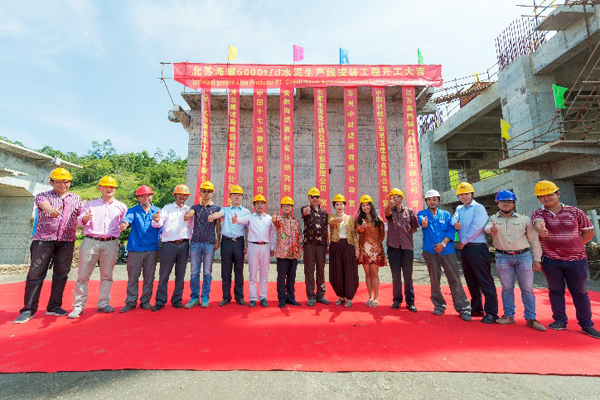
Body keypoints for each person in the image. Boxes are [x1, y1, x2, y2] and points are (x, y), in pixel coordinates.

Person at [13, 168, 83, 324]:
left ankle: (54, 306)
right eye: (58, 182)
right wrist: (50, 210)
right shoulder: (43, 196)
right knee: (35, 274)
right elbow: (43, 205)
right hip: (43, 240)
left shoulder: (76, 199)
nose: (63, 185)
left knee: (61, 274)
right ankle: (28, 310)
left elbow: (81, 215)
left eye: (66, 182)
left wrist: (86, 218)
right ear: (51, 182)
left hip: (66, 241)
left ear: (70, 182)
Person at [531, 180, 599, 339]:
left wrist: (576, 245)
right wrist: (541, 230)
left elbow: (589, 232)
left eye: (550, 194)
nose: (546, 198)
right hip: (551, 260)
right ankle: (560, 320)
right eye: (542, 196)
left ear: (558, 194)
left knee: (580, 292)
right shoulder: (538, 213)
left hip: (576, 260)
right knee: (555, 291)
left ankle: (586, 324)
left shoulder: (575, 212)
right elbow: (537, 223)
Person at [485, 190, 545, 331]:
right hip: (502, 257)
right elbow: (486, 228)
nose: (506, 204)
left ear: (514, 203)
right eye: (502, 201)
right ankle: (508, 316)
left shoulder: (524, 219)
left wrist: (537, 259)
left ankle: (531, 318)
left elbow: (534, 240)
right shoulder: (492, 219)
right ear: (497, 203)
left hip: (523, 256)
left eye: (509, 201)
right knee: (506, 288)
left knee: (527, 289)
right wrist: (491, 230)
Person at [68, 176, 127, 319]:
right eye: (105, 186)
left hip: (111, 242)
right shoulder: (90, 205)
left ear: (115, 189)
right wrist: (85, 218)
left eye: (112, 187)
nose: (109, 189)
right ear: (99, 188)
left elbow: (125, 222)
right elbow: (79, 221)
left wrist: (124, 226)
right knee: (83, 275)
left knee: (107, 275)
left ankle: (104, 303)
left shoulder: (121, 206)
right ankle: (78, 306)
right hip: (91, 241)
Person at [417, 189, 471, 321]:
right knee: (434, 279)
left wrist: (443, 244)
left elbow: (452, 230)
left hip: (447, 251)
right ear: (426, 201)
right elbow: (421, 221)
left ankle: (463, 308)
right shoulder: (422, 214)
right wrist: (424, 223)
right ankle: (439, 305)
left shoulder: (446, 215)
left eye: (435, 199)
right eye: (429, 200)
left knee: (454, 278)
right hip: (430, 251)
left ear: (439, 201)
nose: (432, 202)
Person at [451, 182, 499, 324]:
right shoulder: (459, 208)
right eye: (461, 194)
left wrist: (463, 241)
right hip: (465, 249)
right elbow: (454, 218)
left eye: (466, 194)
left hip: (477, 247)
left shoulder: (479, 208)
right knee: (471, 280)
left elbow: (477, 227)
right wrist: (455, 224)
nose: (464, 197)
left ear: (472, 194)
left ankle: (491, 312)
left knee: (484, 280)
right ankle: (477, 308)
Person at [118, 185, 161, 313]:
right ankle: (131, 302)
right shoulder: (133, 210)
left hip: (151, 248)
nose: (146, 198)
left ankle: (145, 301)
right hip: (135, 248)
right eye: (142, 196)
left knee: (149, 277)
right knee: (133, 277)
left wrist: (158, 221)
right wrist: (124, 224)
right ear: (138, 198)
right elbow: (128, 220)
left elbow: (162, 226)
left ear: (152, 196)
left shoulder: (158, 211)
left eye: (148, 195)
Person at [150, 184, 193, 311]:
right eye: (179, 194)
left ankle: (177, 299)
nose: (182, 197)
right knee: (164, 274)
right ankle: (160, 300)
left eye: (184, 195)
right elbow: (158, 224)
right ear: (175, 195)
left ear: (187, 197)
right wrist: (156, 220)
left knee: (180, 274)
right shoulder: (167, 208)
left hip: (184, 245)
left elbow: (193, 226)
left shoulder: (189, 210)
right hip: (168, 245)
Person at [208, 185, 250, 306]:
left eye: (239, 195)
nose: (237, 197)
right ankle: (226, 297)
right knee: (225, 271)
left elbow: (247, 229)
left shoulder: (246, 212)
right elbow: (218, 214)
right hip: (226, 242)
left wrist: (246, 244)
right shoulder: (225, 210)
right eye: (234, 195)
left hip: (239, 242)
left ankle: (239, 297)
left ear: (242, 197)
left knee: (239, 270)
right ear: (230, 197)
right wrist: (212, 216)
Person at [232, 194, 275, 307]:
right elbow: (241, 220)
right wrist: (236, 219)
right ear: (254, 206)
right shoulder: (250, 217)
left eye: (262, 203)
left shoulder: (269, 218)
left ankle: (263, 297)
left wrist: (272, 247)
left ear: (265, 205)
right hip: (253, 246)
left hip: (265, 246)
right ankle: (252, 298)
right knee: (252, 273)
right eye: (257, 203)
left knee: (264, 273)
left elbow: (272, 234)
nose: (260, 205)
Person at [183, 181, 221, 308]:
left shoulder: (216, 209)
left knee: (207, 272)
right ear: (200, 192)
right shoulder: (195, 207)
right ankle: (194, 297)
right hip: (196, 242)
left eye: (208, 191)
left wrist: (218, 240)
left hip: (209, 243)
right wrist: (188, 215)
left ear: (212, 193)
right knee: (194, 272)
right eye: (204, 191)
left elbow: (218, 226)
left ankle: (205, 296)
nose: (206, 193)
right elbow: (190, 214)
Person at [385, 188, 419, 312]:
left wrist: (405, 235)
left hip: (407, 247)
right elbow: (387, 214)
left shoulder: (410, 212)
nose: (393, 199)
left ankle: (410, 302)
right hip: (393, 247)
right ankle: (397, 300)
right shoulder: (390, 211)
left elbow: (414, 228)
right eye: (391, 197)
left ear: (401, 198)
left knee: (408, 275)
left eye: (395, 196)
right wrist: (388, 206)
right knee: (396, 276)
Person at [328, 194, 360, 308]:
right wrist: (337, 219)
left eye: (341, 204)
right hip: (335, 246)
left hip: (348, 246)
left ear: (345, 205)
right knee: (337, 271)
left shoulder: (350, 218)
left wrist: (357, 249)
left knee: (349, 271)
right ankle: (341, 296)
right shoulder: (331, 217)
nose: (339, 206)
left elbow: (353, 234)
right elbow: (331, 222)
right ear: (334, 206)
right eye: (337, 204)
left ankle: (349, 297)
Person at [355, 194, 386, 308]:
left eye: (367, 205)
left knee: (374, 274)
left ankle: (376, 298)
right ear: (361, 207)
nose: (366, 207)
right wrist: (362, 227)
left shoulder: (378, 219)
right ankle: (370, 297)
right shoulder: (358, 219)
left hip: (375, 251)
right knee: (367, 274)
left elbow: (382, 234)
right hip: (364, 250)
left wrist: (375, 245)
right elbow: (357, 232)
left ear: (371, 206)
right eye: (363, 205)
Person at [272, 196, 303, 308]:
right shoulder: (279, 220)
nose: (286, 207)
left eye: (289, 206)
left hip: (293, 254)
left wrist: (300, 250)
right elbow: (275, 222)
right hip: (282, 254)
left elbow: (299, 236)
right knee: (281, 277)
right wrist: (274, 219)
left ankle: (291, 298)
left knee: (291, 277)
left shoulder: (296, 221)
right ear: (281, 207)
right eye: (284, 206)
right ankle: (281, 299)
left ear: (292, 207)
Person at [301, 187, 330, 306]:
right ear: (309, 198)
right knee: (309, 270)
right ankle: (311, 295)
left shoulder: (324, 212)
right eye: (312, 196)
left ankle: (321, 295)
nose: (314, 198)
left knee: (321, 270)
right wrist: (306, 210)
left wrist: (328, 244)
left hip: (322, 245)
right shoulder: (306, 209)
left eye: (317, 196)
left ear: (319, 198)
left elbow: (327, 229)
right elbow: (304, 212)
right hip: (309, 244)